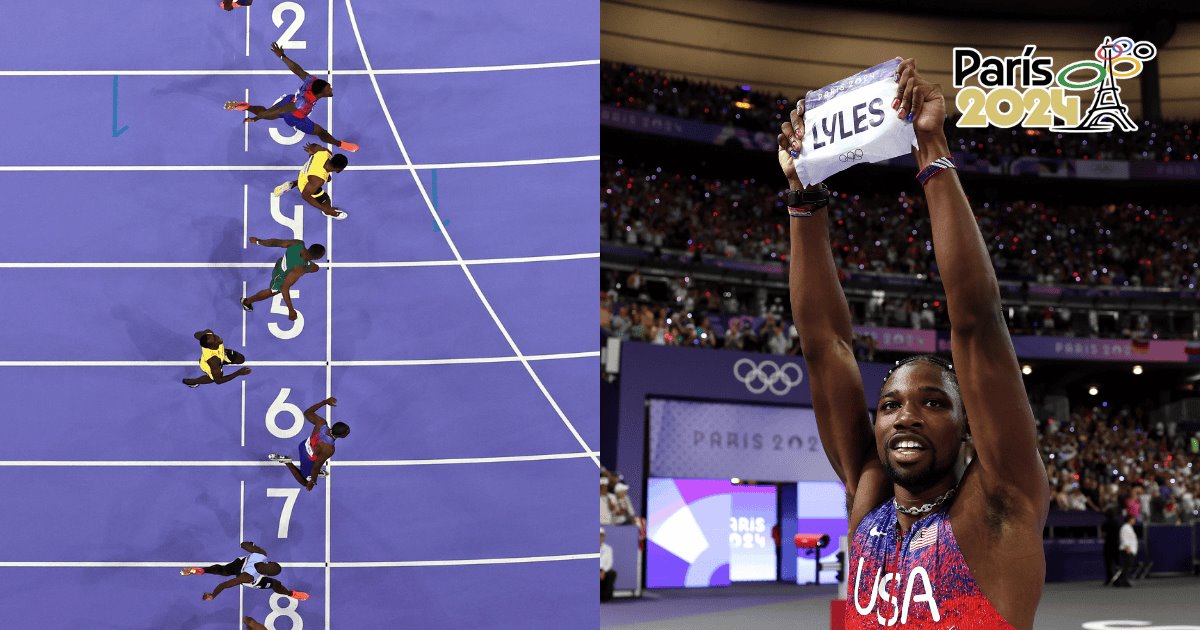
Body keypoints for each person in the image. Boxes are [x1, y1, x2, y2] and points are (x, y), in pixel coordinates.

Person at [777, 58, 1049, 628]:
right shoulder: (869, 497)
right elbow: (825, 346)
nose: (907, 416)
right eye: (892, 404)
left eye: (933, 402)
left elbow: (976, 321)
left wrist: (932, 153)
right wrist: (804, 199)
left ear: (967, 423)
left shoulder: (999, 505)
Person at [225, 43, 359, 152]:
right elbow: (280, 110)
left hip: (289, 100)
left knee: (267, 113)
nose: (331, 89)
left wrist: (282, 56)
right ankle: (340, 144)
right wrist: (256, 118)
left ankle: (246, 106)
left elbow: (296, 69)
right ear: (321, 93)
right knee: (320, 131)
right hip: (295, 115)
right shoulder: (303, 103)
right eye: (328, 89)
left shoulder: (311, 80)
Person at [180, 541, 309, 601]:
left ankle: (202, 570)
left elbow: (243, 544)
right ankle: (291, 594)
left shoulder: (262, 554)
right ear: (266, 574)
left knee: (223, 570)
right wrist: (213, 595)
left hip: (240, 563)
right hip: (246, 576)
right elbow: (224, 585)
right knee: (275, 584)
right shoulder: (249, 578)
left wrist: (250, 545)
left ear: (269, 562)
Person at [268, 397, 349, 491]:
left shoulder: (321, 423)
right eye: (347, 433)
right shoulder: (329, 449)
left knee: (317, 461)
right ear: (341, 436)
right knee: (305, 482)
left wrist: (324, 402)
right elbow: (316, 466)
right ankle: (288, 462)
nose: (347, 433)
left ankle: (316, 473)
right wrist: (313, 482)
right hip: (308, 459)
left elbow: (307, 413)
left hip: (302, 446)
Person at [241, 237, 325, 317]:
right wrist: (291, 310)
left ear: (310, 248)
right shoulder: (299, 269)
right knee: (272, 291)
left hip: (281, 262)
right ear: (317, 258)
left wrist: (258, 241)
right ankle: (247, 302)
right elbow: (284, 288)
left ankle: (305, 264)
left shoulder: (298, 243)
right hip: (280, 276)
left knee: (315, 268)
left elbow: (276, 242)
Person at [273, 143, 350, 220]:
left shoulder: (325, 152)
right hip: (305, 184)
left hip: (303, 173)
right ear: (338, 169)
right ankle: (328, 212)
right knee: (326, 199)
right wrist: (325, 209)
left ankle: (291, 184)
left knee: (326, 179)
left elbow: (313, 146)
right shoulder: (318, 180)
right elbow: (305, 195)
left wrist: (311, 152)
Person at [183, 329, 250, 387]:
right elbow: (218, 381)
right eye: (215, 340)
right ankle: (193, 382)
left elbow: (196, 335)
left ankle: (223, 358)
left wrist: (202, 336)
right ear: (211, 346)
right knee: (213, 378)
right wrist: (238, 373)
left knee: (241, 359)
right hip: (208, 365)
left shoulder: (209, 334)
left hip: (221, 354)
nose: (217, 337)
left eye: (214, 336)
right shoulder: (213, 361)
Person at [1115, 514, 1138, 587]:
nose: (1134, 521)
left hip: (1130, 550)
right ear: (1129, 520)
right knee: (1126, 566)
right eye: (1133, 519)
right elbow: (1124, 538)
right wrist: (1127, 547)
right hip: (1127, 549)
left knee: (1127, 566)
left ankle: (1122, 580)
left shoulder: (1129, 527)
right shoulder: (1125, 528)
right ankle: (1123, 581)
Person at [600, 527, 616, 602]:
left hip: (604, 569)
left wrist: (604, 571)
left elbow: (609, 562)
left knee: (612, 573)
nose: (600, 537)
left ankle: (606, 597)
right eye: (599, 535)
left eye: (602, 535)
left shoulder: (608, 548)